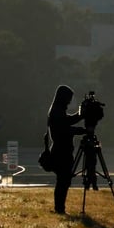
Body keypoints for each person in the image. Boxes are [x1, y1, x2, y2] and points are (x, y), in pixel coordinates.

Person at [46, 84, 86, 214]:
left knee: (63, 181)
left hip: (62, 151)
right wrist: (81, 130)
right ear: (63, 98)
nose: (69, 101)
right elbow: (65, 129)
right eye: (69, 98)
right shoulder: (57, 112)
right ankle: (59, 208)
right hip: (61, 152)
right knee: (63, 181)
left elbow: (67, 121)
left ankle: (59, 208)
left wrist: (81, 114)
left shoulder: (57, 111)